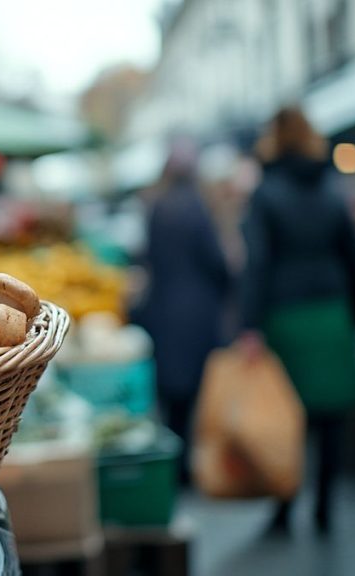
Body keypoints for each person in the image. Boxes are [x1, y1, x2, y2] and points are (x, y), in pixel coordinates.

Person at [240, 107, 355, 533]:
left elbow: (257, 265)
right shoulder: (333, 189)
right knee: (331, 417)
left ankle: (284, 507)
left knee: (286, 414)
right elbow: (353, 257)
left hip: (286, 314)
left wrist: (249, 325)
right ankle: (325, 507)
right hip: (331, 312)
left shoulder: (266, 192)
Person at [141, 139, 230, 482]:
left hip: (163, 308)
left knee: (171, 393)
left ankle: (174, 463)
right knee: (193, 391)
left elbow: (148, 257)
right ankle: (187, 466)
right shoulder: (199, 208)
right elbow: (216, 263)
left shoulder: (157, 206)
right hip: (196, 312)